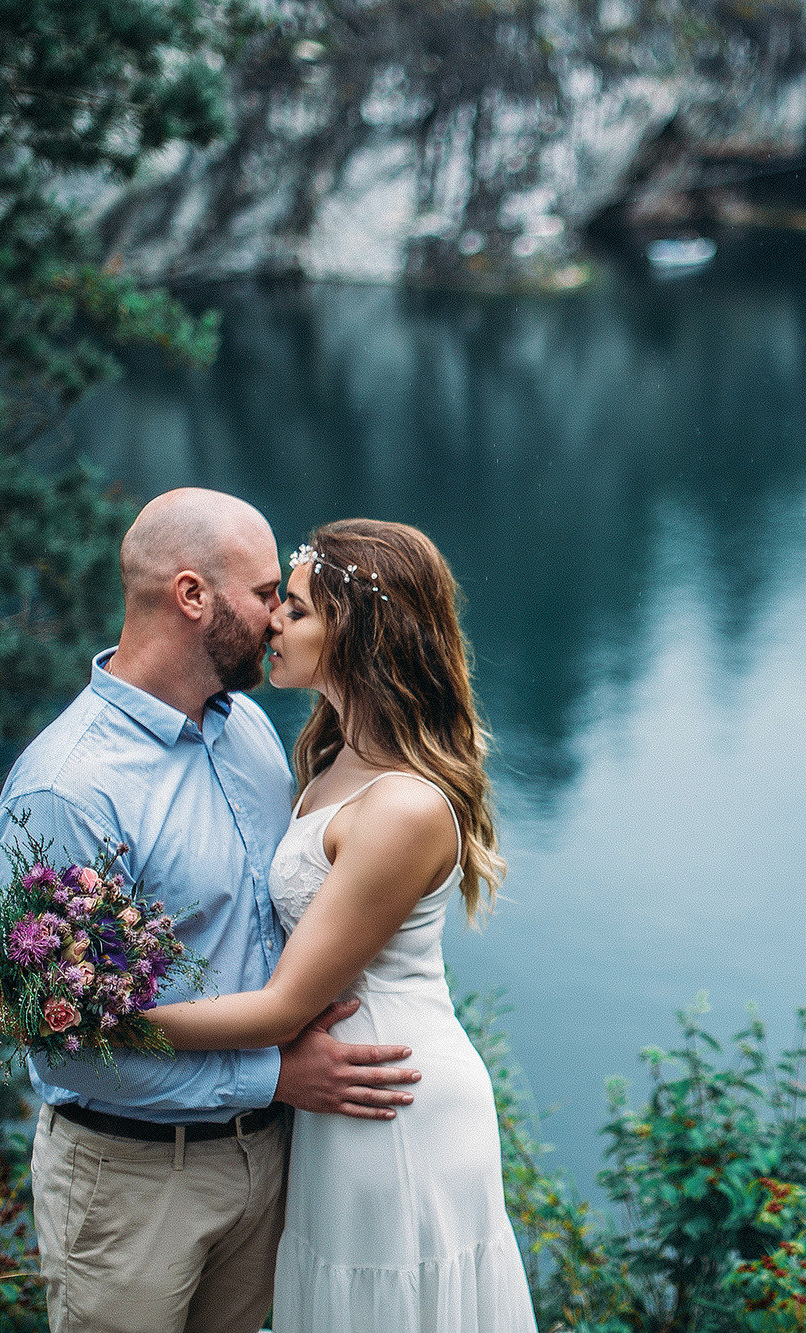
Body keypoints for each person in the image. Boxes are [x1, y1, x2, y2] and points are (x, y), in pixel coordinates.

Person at [0, 489, 424, 1333]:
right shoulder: (70, 787)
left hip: (281, 1157)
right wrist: (276, 1074)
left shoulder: (247, 729)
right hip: (134, 1184)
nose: (279, 617)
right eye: (264, 595)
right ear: (190, 596)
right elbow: (69, 1048)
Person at [135, 518, 536, 1332]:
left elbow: (284, 1008)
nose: (273, 622)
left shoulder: (404, 806)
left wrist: (100, 1024)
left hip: (390, 1102)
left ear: (354, 636)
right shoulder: (332, 755)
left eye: (297, 609)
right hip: (337, 1095)